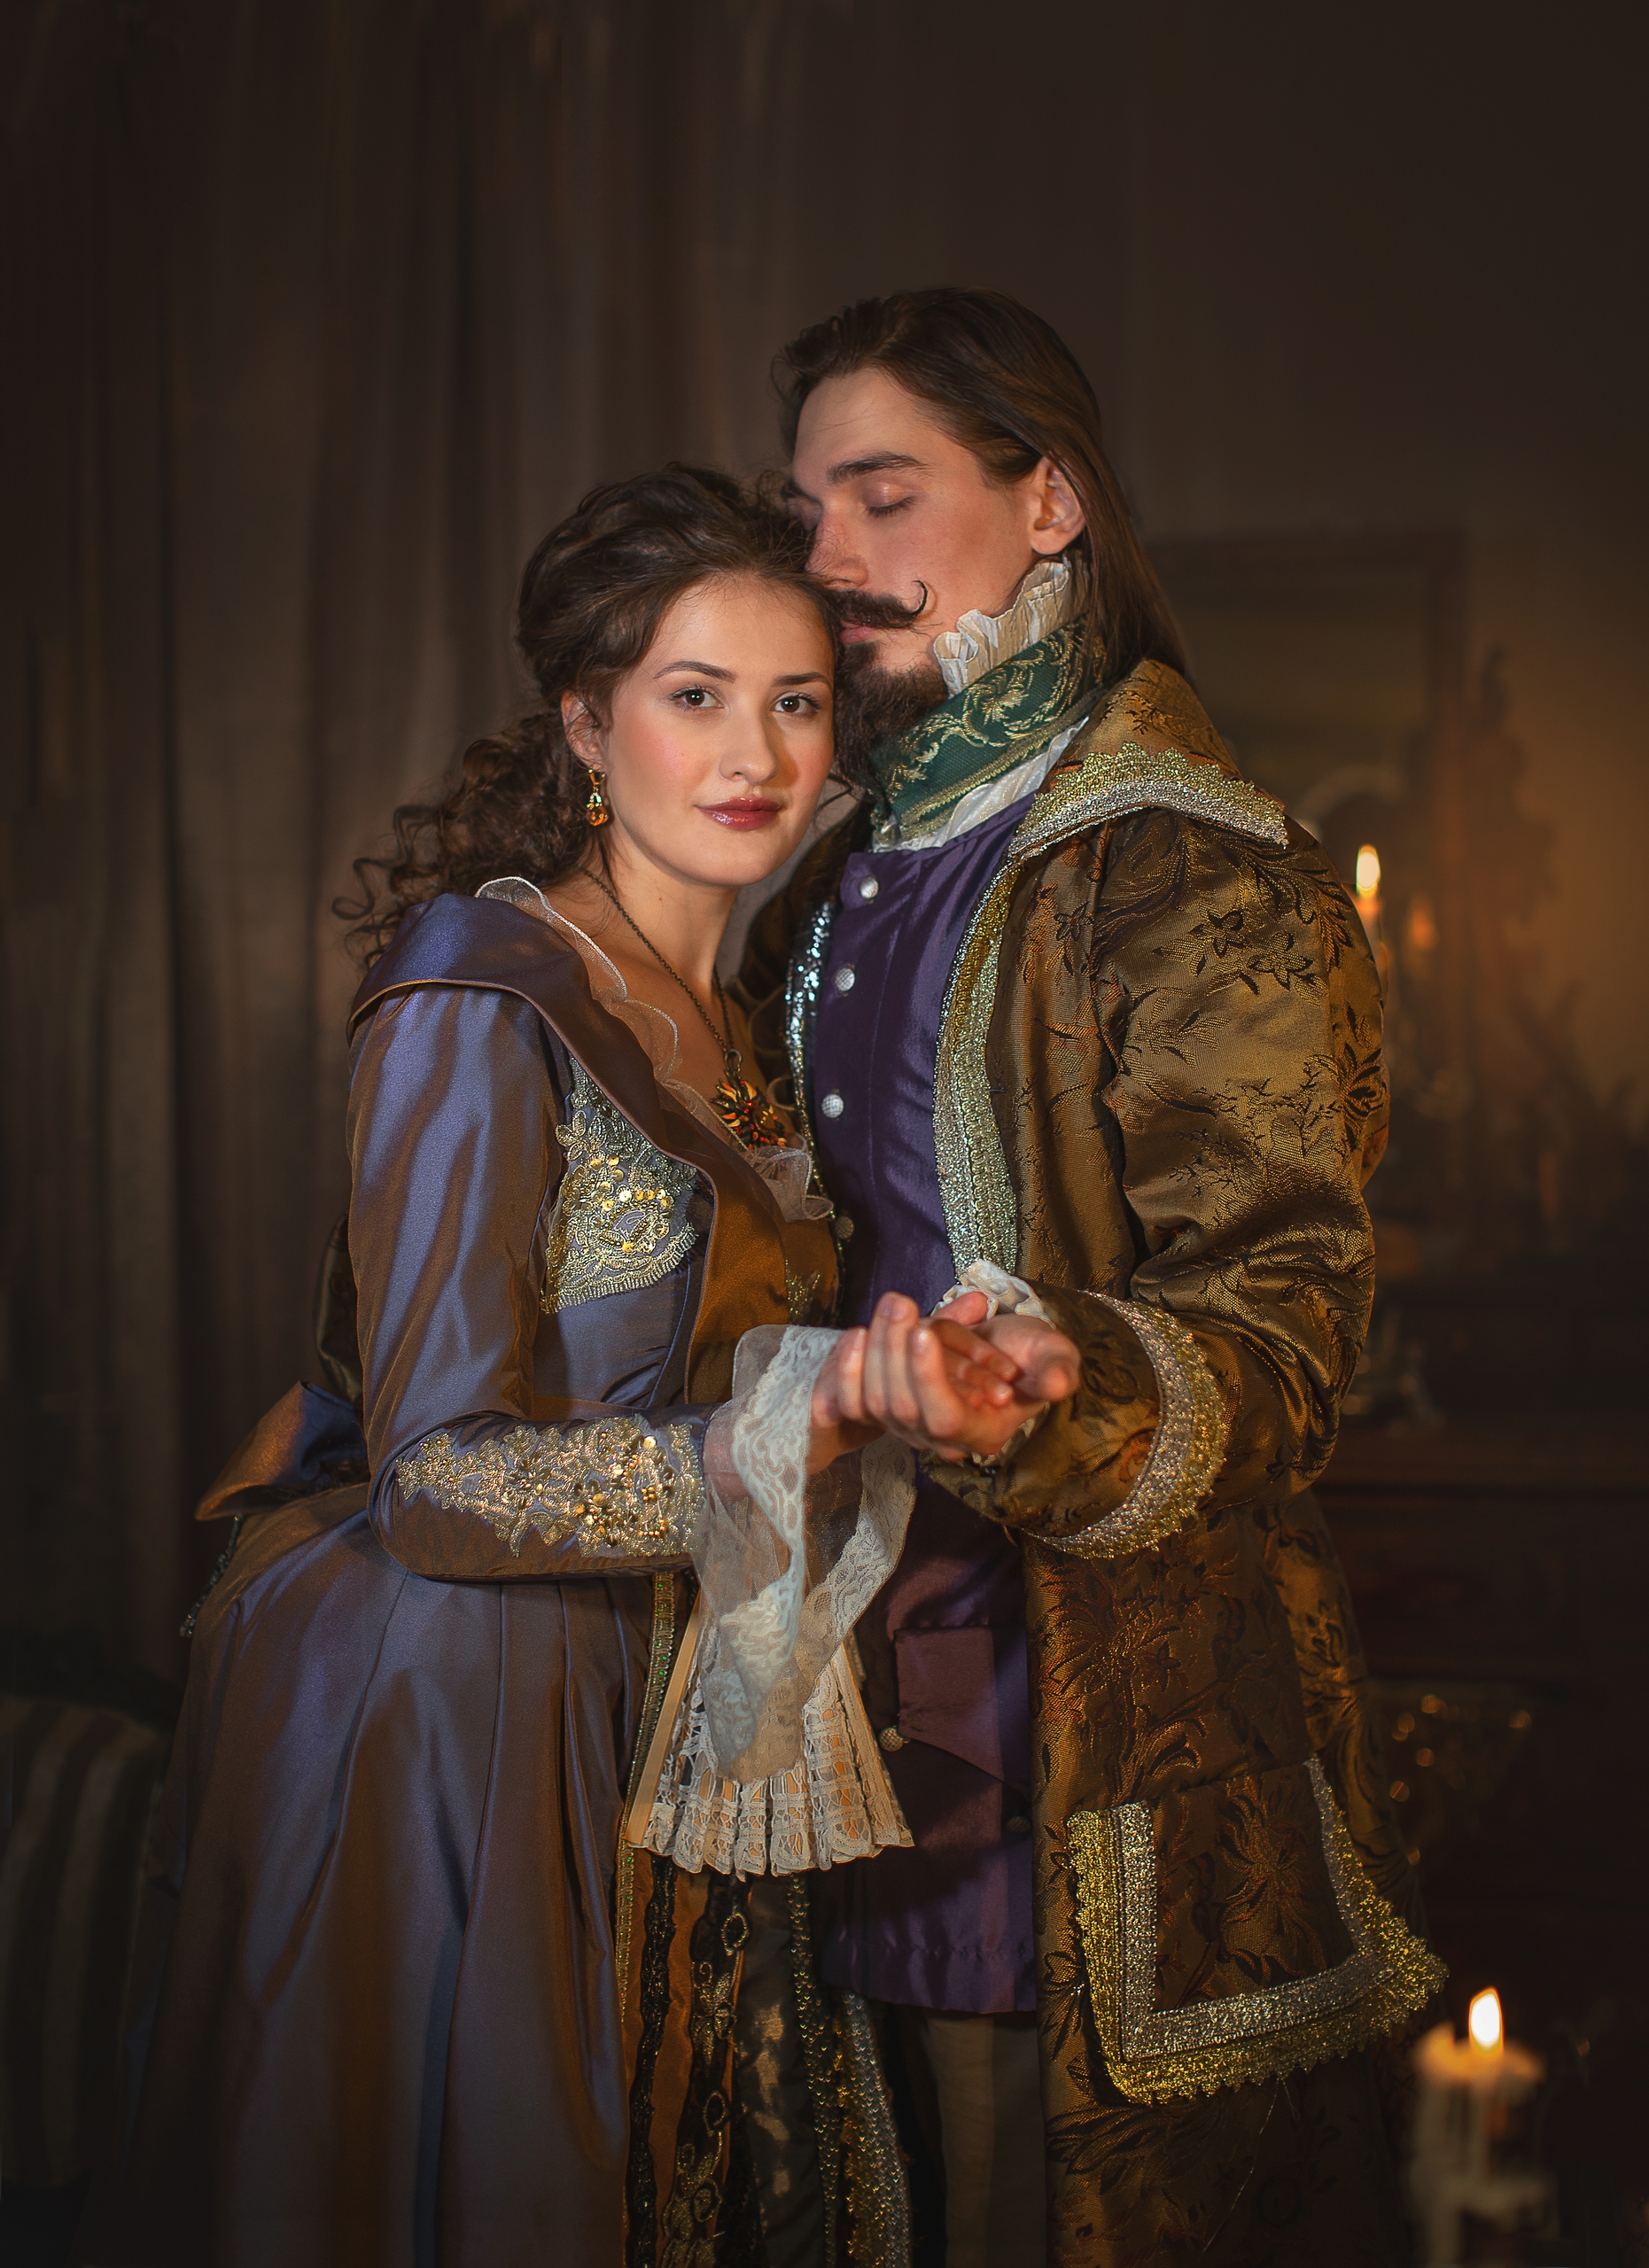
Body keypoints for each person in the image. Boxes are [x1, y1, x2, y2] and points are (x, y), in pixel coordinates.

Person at [99, 466, 1034, 2268]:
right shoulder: (483, 997)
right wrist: (786, 1422)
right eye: (695, 695)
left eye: (795, 700)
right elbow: (436, 1475)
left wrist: (914, 1384)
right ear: (588, 727)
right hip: (475, 1709)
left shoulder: (748, 1021)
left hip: (689, 1693)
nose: (752, 752)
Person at [734, 291, 1445, 2268]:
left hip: (1072, 1690)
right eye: (807, 511)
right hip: (827, 1657)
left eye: (885, 494)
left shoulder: (1189, 866)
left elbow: (1285, 1321)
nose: (829, 558)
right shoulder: (832, 860)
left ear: (1047, 502)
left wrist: (1062, 1376)